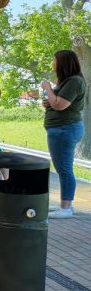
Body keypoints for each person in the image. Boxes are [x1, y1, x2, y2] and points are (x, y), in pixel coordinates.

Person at [42, 50, 86, 219]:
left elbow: (60, 105)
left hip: (65, 130)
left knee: (64, 169)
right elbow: (57, 103)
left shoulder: (74, 81)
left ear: (63, 63)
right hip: (61, 130)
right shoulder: (68, 81)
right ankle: (64, 204)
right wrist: (49, 102)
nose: (53, 63)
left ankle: (66, 208)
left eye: (54, 60)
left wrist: (48, 89)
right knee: (63, 169)